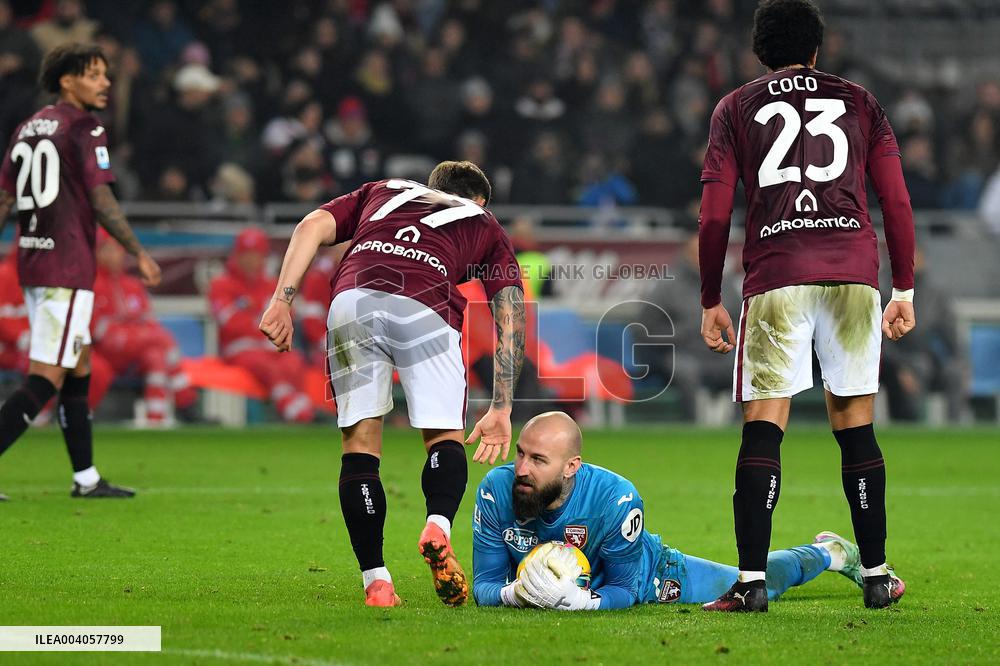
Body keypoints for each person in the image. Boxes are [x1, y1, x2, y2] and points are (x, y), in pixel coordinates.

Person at [698, 0, 914, 611]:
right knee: (856, 428)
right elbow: (895, 201)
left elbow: (715, 214)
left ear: (759, 52)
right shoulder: (861, 102)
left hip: (776, 271)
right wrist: (905, 288)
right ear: (817, 49)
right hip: (851, 272)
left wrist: (711, 297)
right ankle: (875, 575)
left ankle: (750, 584)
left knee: (764, 427)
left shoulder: (735, 107)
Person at [259, 161, 525, 608]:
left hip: (353, 298)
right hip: (426, 304)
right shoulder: (485, 222)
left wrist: (281, 301)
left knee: (360, 444)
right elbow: (510, 313)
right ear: (479, 201)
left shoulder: (384, 190)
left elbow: (310, 227)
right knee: (443, 436)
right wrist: (501, 406)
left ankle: (376, 583)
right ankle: (437, 525)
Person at [472, 411, 904, 610]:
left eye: (537, 460)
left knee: (758, 582)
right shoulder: (496, 492)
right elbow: (484, 584)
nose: (521, 469)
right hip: (570, 584)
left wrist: (587, 604)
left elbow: (624, 587)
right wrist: (515, 594)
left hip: (652, 576)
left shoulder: (615, 499)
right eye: (521, 454)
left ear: (571, 467)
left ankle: (831, 553)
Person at [0, 43, 161, 500]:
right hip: (66, 266)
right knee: (48, 373)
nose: (105, 83)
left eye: (105, 75)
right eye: (94, 75)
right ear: (67, 80)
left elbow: (4, 200)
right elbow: (102, 199)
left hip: (32, 260)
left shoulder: (28, 128)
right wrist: (138, 251)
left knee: (78, 362)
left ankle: (86, 478)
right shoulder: (85, 127)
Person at [208, 227, 315, 424]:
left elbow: (287, 318)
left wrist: (254, 320)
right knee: (263, 363)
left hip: (271, 346)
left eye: (256, 255)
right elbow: (230, 324)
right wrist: (263, 324)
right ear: (236, 255)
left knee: (294, 360)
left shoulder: (272, 284)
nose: (251, 260)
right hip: (239, 349)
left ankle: (297, 405)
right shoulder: (221, 284)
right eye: (246, 255)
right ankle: (294, 408)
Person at [92, 231, 197, 425]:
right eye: (107, 249)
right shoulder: (90, 282)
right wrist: (131, 332)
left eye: (117, 249)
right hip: (105, 351)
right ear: (96, 252)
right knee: (162, 340)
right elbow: (97, 331)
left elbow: (147, 320)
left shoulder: (132, 285)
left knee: (156, 356)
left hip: (135, 353)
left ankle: (155, 421)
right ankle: (186, 403)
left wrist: (133, 332)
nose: (114, 255)